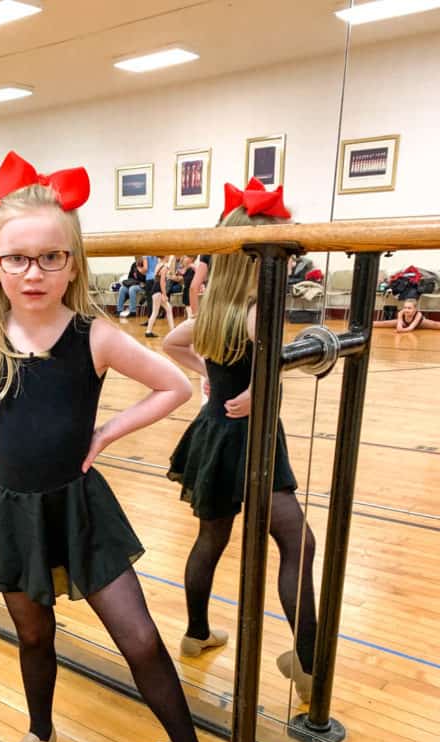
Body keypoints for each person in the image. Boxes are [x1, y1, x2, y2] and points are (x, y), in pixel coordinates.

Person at [0, 150, 203, 742]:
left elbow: (176, 385)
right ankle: (41, 731)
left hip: (79, 511)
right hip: (10, 509)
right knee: (33, 634)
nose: (33, 272)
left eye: (50, 257)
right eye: (17, 258)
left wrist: (106, 437)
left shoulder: (93, 335)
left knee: (138, 639)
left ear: (73, 263)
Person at [163, 178, 318, 703]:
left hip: (214, 432)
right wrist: (257, 389)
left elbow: (171, 341)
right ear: (255, 261)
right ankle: (310, 663)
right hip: (247, 438)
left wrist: (208, 372)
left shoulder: (216, 310)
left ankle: (196, 632)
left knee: (212, 537)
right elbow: (272, 364)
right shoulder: (258, 311)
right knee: (298, 542)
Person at [144, 256, 175, 338]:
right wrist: (164, 294)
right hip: (158, 291)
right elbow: (162, 282)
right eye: (168, 256)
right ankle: (148, 331)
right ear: (165, 257)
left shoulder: (158, 265)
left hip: (155, 291)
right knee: (156, 312)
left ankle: (172, 329)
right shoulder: (164, 267)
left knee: (168, 308)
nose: (169, 257)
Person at [374, 298, 440, 332]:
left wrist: (401, 330)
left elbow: (410, 328)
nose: (406, 310)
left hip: (420, 324)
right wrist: (400, 328)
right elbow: (399, 327)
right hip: (404, 323)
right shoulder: (401, 313)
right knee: (384, 323)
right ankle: (367, 324)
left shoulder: (418, 314)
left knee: (435, 324)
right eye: (405, 307)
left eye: (409, 308)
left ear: (415, 309)